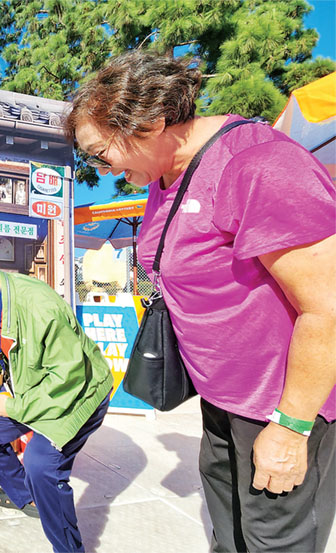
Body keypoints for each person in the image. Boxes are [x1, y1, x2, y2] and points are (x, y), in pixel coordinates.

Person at [66, 51, 336, 553]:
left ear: (150, 121)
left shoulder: (258, 165)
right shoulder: (161, 175)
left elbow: (329, 308)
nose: (99, 166)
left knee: (274, 543)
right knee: (228, 537)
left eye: (100, 151)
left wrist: (292, 427)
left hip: (279, 407)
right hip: (221, 401)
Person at [0, 245, 113, 553]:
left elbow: (68, 377)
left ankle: (69, 548)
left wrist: (15, 407)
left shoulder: (37, 304)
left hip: (79, 394)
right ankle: (29, 497)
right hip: (36, 391)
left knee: (41, 465)